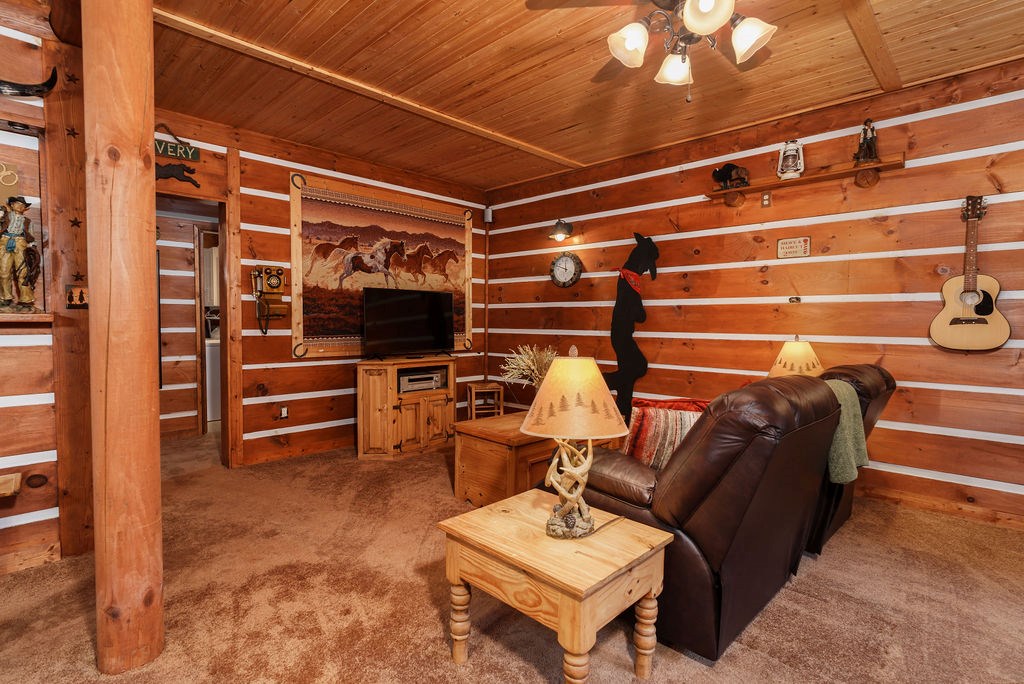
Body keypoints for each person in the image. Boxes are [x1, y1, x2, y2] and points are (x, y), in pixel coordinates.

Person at [0, 196, 36, 309]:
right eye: (17, 203)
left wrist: (32, 246)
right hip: (5, 242)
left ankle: (26, 299)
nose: (20, 206)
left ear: (25, 208)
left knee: (23, 272)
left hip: (20, 244)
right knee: (4, 271)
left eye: (23, 205)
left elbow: (31, 236)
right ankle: (6, 297)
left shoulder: (27, 221)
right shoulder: (4, 217)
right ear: (12, 205)